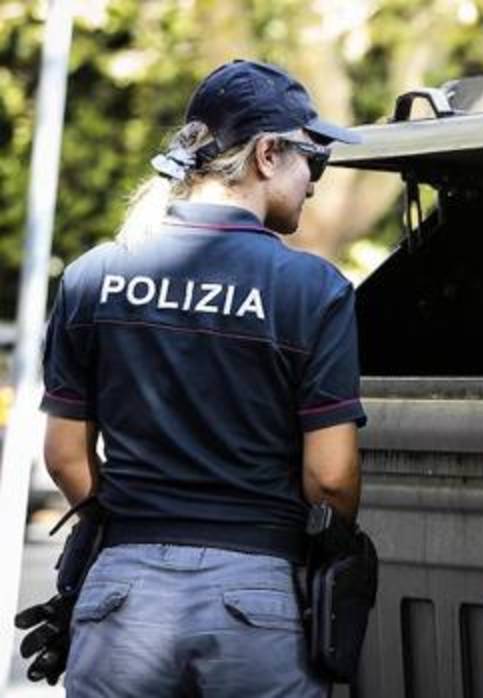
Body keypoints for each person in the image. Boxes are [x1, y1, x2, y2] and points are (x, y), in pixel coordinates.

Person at [32, 59, 367, 697]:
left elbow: (65, 455)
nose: (316, 186)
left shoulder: (93, 275)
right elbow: (330, 477)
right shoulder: (311, 289)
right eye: (313, 162)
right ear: (269, 154)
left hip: (119, 599)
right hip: (256, 602)